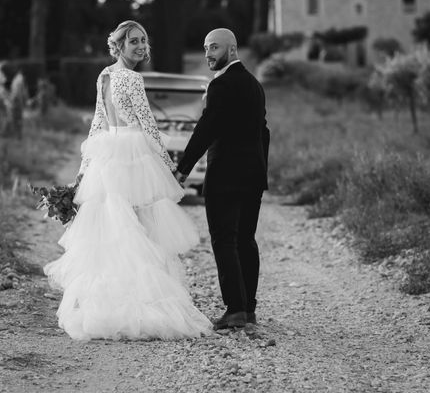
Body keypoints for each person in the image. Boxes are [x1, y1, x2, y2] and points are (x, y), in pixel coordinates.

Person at [43, 20, 212, 340]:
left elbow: (98, 125)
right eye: (133, 41)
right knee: (137, 230)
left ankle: (105, 308)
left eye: (143, 41)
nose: (140, 46)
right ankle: (138, 307)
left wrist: (84, 170)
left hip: (108, 156)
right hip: (132, 156)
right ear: (118, 45)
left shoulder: (104, 75)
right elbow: (147, 126)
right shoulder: (131, 78)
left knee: (114, 231)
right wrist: (170, 169)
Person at [174, 28, 269, 330]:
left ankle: (235, 309)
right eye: (205, 48)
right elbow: (263, 133)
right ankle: (249, 308)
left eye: (214, 47)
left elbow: (207, 128)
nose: (207, 54)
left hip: (225, 176)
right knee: (245, 240)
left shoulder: (221, 85)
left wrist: (183, 168)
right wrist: (260, 168)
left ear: (232, 49)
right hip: (253, 177)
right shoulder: (255, 85)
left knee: (224, 240)